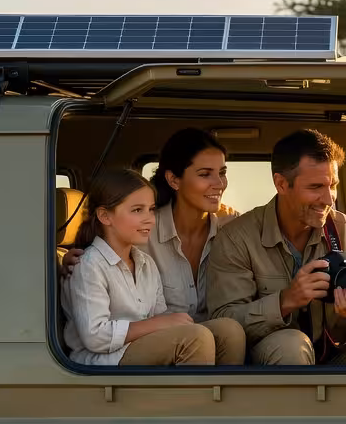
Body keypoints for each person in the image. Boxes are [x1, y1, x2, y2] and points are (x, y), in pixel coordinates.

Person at [205, 129, 346, 366]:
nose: (329, 199)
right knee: (291, 345)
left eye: (333, 185)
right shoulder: (237, 238)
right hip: (270, 358)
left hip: (335, 352)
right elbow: (225, 323)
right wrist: (285, 301)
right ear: (281, 184)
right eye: (316, 187)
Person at [61, 168, 246, 366]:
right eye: (137, 210)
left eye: (151, 209)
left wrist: (168, 321)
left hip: (143, 345)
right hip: (104, 360)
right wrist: (158, 324)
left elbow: (159, 315)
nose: (150, 219)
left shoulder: (146, 262)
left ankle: (220, 388)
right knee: (195, 338)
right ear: (105, 216)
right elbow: (95, 336)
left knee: (230, 331)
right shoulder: (88, 265)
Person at [62, 128, 240, 324]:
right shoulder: (139, 231)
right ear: (173, 180)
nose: (219, 183)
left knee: (230, 330)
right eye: (205, 174)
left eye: (222, 173)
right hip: (161, 339)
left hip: (218, 336)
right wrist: (68, 263)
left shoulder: (235, 229)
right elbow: (98, 269)